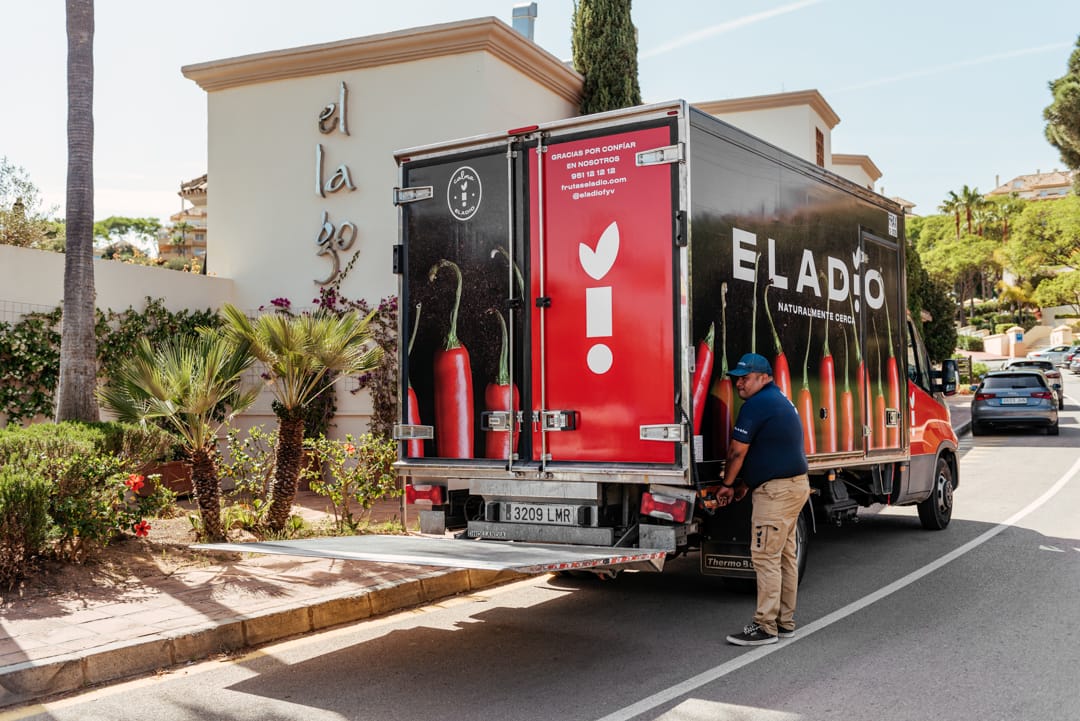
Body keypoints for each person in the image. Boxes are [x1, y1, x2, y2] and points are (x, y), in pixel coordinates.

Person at [711, 352, 810, 646]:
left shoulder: (756, 405)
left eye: (746, 378)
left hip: (776, 493)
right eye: (737, 378)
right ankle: (784, 622)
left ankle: (765, 626)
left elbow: (737, 452)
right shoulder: (779, 399)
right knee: (785, 557)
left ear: (764, 377)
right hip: (794, 487)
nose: (739, 383)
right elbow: (771, 450)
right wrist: (746, 483)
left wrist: (727, 484)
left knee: (765, 557)